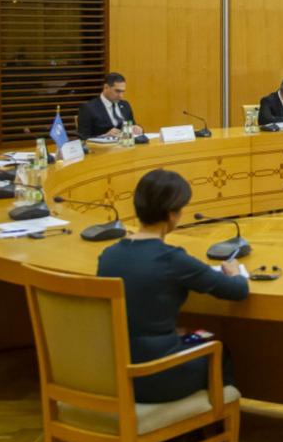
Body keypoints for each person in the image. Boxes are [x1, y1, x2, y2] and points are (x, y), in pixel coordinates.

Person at [97, 169, 249, 404]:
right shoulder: (172, 259)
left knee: (189, 334)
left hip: (113, 376)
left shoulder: (108, 255)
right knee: (219, 350)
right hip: (158, 376)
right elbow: (238, 291)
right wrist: (235, 273)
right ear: (171, 215)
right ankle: (216, 422)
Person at [77, 72, 142, 139]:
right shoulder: (88, 108)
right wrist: (104, 136)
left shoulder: (125, 105)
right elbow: (83, 137)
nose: (121, 96)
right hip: (102, 145)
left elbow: (133, 125)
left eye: (123, 92)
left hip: (125, 144)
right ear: (106, 87)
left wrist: (137, 129)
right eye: (117, 91)